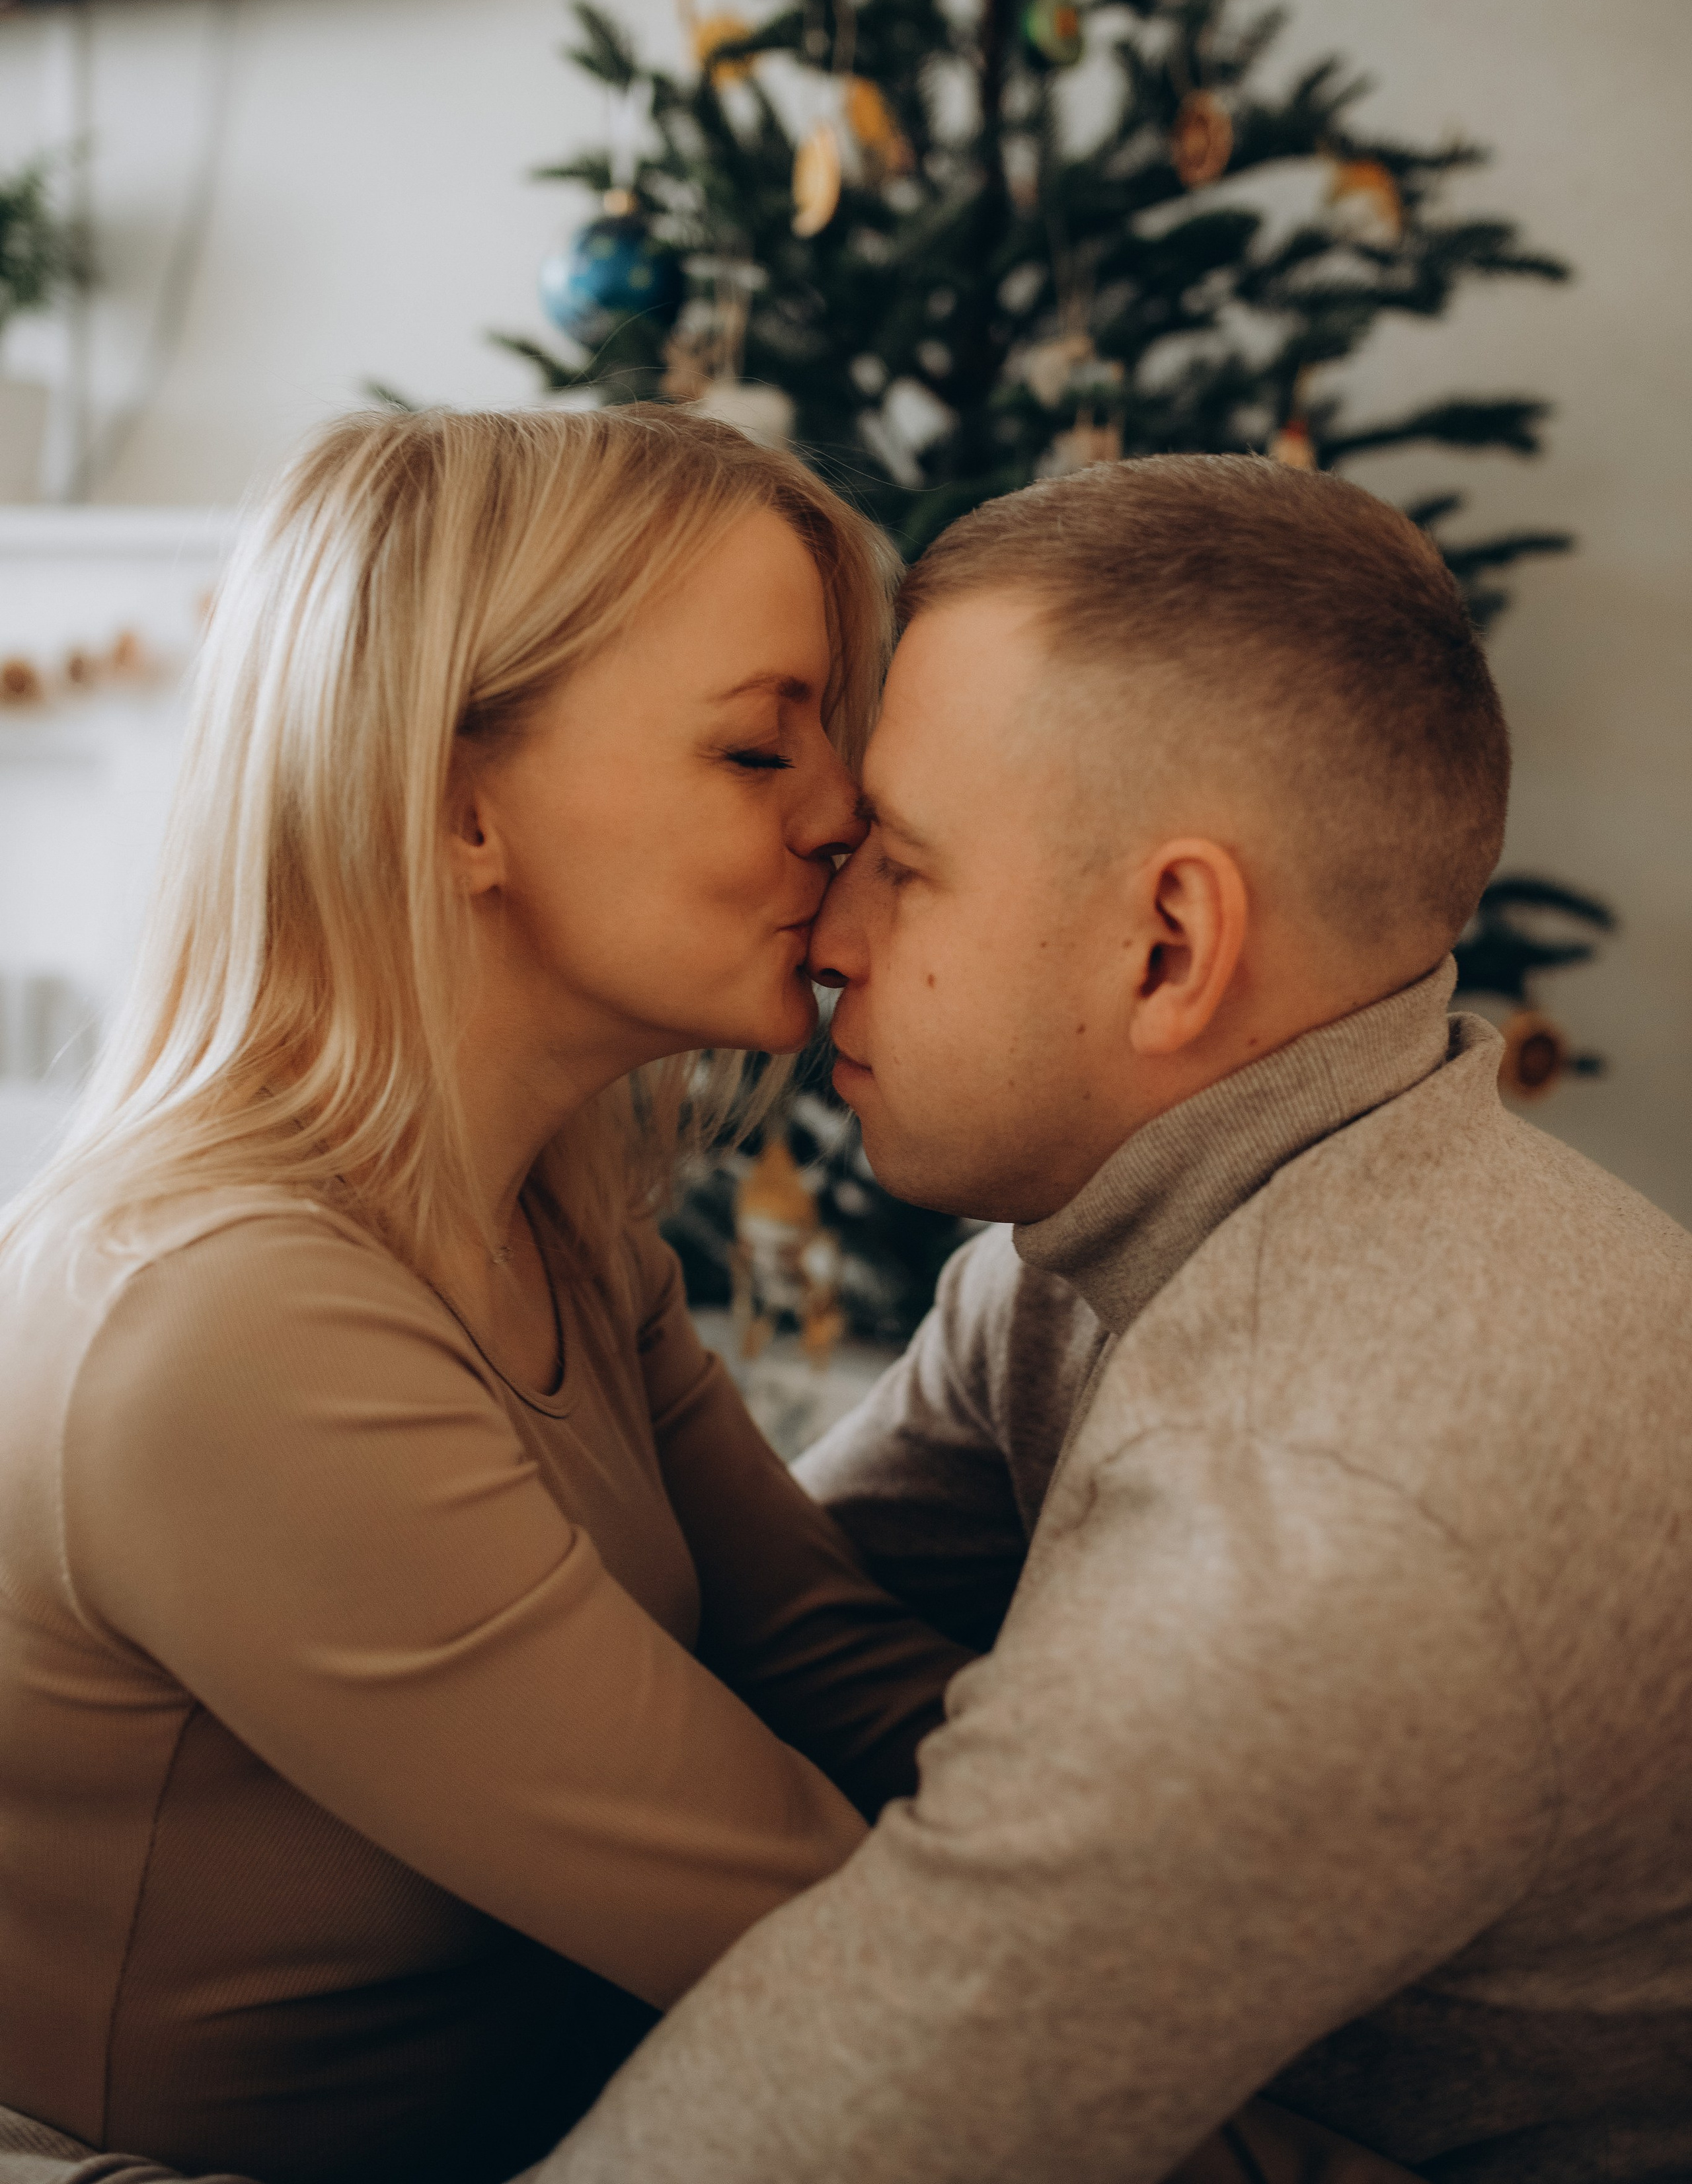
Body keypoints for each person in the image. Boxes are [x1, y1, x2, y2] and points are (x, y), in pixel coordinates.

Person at [532, 456, 1692, 2184]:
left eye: (903, 869)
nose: (826, 933)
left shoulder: (1322, 1521)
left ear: (1169, 944)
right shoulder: (1089, 1245)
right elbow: (772, 1628)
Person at [0, 405, 969, 2184]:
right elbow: (839, 1955)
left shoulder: (562, 1218)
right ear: (455, 806)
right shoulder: (233, 1333)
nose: (850, 813)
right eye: (765, 750)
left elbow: (829, 1669)